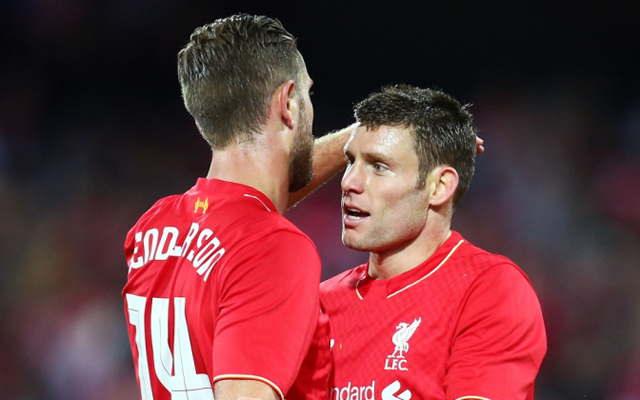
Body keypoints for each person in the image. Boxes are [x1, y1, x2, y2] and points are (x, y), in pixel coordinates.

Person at [122, 14, 351, 400]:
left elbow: (244, 213)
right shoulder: (274, 247)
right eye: (307, 95)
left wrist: (359, 136)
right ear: (288, 102)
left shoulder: (151, 230)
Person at [320, 85, 547, 400]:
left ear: (439, 187)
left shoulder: (489, 289)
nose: (349, 182)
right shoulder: (319, 304)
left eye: (378, 166)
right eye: (350, 161)